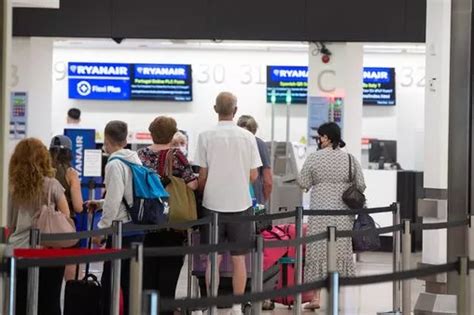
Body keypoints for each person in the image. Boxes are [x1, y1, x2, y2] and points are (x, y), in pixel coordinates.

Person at [195, 92, 262, 315]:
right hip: (241, 204)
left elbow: (201, 175)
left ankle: (212, 306)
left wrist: (207, 188)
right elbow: (254, 175)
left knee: (212, 260)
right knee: (239, 259)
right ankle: (236, 307)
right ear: (235, 110)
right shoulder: (248, 137)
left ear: (215, 109)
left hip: (212, 204)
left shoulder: (205, 136)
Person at [297, 122, 366, 310]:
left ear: (327, 138)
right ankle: (337, 297)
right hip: (343, 214)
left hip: (319, 213)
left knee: (317, 251)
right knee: (340, 251)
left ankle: (316, 298)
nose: (318, 140)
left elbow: (302, 182)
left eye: (320, 137)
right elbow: (361, 184)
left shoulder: (314, 158)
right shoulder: (350, 159)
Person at [137, 116, 198, 314]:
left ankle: (149, 310)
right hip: (172, 222)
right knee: (169, 272)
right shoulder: (177, 156)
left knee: (148, 273)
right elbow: (192, 184)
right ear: (172, 135)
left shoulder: (140, 155)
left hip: (147, 222)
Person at [86, 120, 144, 315]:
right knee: (130, 282)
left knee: (110, 280)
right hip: (137, 225)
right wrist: (100, 204)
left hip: (120, 230)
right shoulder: (134, 158)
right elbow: (127, 195)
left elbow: (114, 200)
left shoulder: (114, 163)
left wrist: (101, 230)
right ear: (126, 138)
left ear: (107, 139)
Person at [8, 138, 71, 315]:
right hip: (49, 250)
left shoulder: (13, 187)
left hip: (19, 251)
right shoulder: (52, 185)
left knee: (19, 302)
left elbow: (10, 223)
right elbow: (66, 217)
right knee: (50, 302)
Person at [49, 135, 84, 281]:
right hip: (66, 224)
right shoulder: (71, 173)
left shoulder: (45, 172)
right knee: (70, 265)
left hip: (46, 224)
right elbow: (78, 207)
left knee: (49, 273)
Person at [237, 115, 273, 205]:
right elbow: (268, 181)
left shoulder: (233, 145)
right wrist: (263, 200)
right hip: (255, 198)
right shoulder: (260, 145)